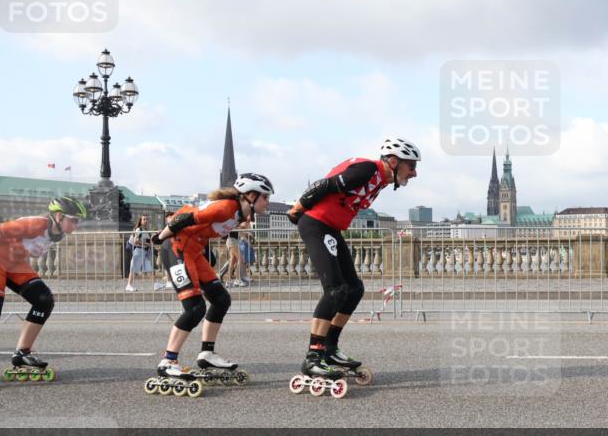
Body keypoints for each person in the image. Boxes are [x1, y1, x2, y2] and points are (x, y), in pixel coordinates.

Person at [287, 138, 420, 382]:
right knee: (335, 290)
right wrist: (298, 207)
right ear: (394, 161)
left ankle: (329, 348)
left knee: (354, 288)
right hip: (317, 224)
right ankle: (313, 357)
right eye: (410, 166)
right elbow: (325, 184)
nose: (414, 173)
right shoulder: (369, 169)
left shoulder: (380, 180)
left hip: (331, 229)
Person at [149, 173, 273, 383]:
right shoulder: (226, 207)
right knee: (195, 307)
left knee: (221, 299)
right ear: (251, 196)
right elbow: (185, 218)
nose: (267, 203)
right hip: (176, 248)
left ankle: (207, 354)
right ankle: (168, 362)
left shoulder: (240, 214)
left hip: (194, 251)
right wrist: (159, 238)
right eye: (265, 198)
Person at [0, 196, 88, 389]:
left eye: (79, 221)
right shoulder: (33, 225)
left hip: (14, 264)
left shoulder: (57, 233)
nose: (77, 225)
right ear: (58, 215)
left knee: (44, 300)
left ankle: (22, 353)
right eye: (74, 220)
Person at [125, 215, 155, 292]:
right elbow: (136, 241)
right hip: (139, 251)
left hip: (144, 252)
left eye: (147, 219)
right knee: (134, 269)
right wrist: (147, 244)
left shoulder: (146, 230)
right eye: (144, 219)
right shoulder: (139, 229)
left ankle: (155, 285)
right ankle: (129, 285)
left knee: (148, 269)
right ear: (140, 221)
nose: (146, 220)